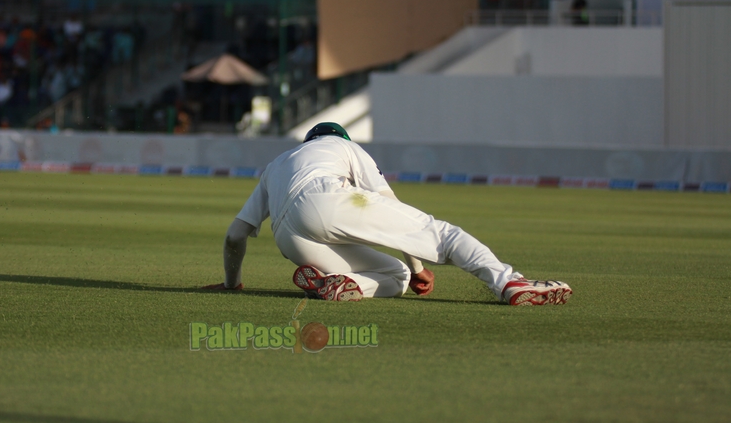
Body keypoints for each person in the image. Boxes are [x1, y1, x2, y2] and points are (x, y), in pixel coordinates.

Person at [203, 122, 572, 306]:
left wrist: (232, 283)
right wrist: (418, 267)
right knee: (443, 235)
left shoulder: (275, 165)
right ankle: (509, 283)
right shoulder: (343, 146)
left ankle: (348, 285)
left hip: (289, 237)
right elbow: (389, 204)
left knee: (392, 277)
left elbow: (236, 234)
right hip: (327, 198)